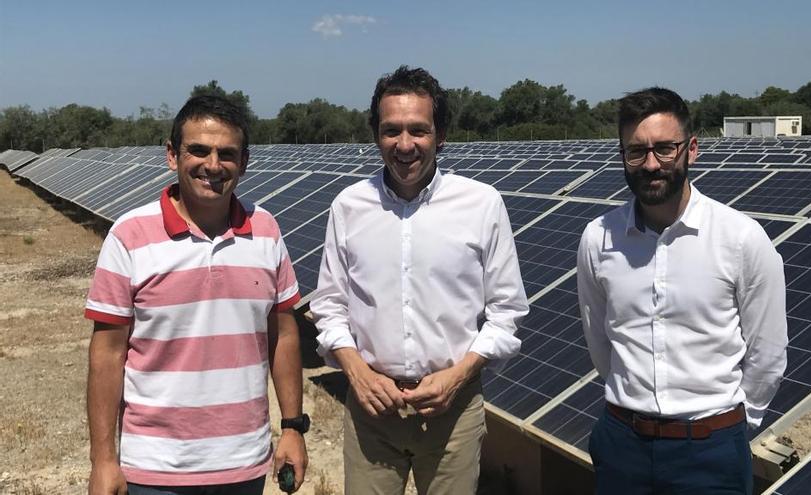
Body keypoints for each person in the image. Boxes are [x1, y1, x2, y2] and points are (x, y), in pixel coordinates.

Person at [310, 66, 528, 494]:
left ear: (440, 134)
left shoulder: (482, 204)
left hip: (454, 411)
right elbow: (330, 305)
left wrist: (458, 376)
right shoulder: (349, 206)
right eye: (391, 130)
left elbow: (507, 312)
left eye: (418, 130)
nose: (405, 145)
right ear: (376, 134)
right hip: (372, 410)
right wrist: (356, 372)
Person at [85, 95, 308, 494]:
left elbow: (285, 335)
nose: (212, 165)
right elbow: (107, 353)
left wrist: (292, 427)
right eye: (198, 151)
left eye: (227, 153)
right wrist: (103, 459)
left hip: (244, 464)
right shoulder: (128, 236)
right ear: (172, 155)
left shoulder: (267, 229)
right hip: (154, 468)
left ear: (244, 161)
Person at [577, 87, 787, 494]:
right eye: (636, 151)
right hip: (623, 445)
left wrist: (736, 425)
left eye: (664, 149)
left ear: (691, 149)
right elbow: (599, 340)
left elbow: (768, 351)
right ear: (622, 155)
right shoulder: (598, 238)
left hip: (712, 450)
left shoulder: (741, 238)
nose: (651, 163)